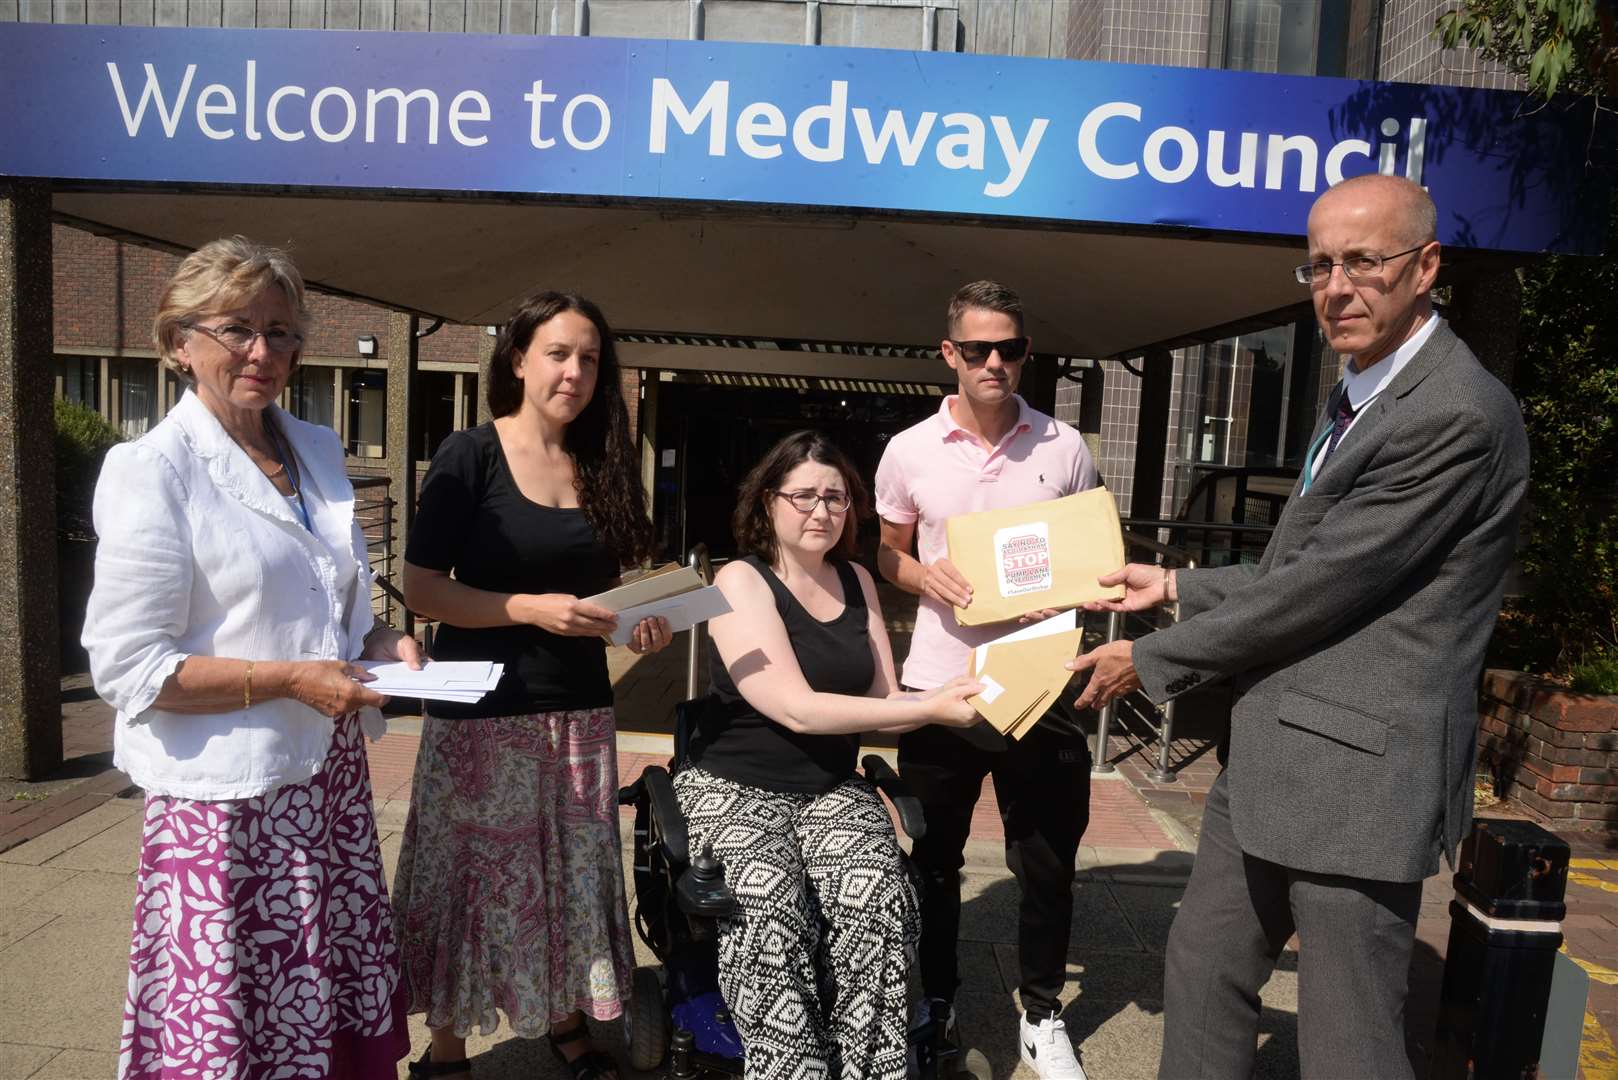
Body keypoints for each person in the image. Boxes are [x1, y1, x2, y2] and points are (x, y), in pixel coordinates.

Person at [1068, 173, 1530, 1079]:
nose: (1337, 286)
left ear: (1427, 266)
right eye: (1319, 265)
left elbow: (1321, 590)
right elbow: (1301, 567)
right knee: (1204, 971)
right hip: (1274, 751)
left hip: (1360, 778)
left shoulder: (1455, 413)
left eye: (1364, 261)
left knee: (1347, 1038)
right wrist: (1172, 583)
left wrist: (1153, 657)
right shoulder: (1359, 389)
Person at [83, 236, 422, 1079]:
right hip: (228, 808)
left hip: (328, 785)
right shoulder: (153, 470)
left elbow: (328, 601)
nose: (263, 352)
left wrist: (377, 642)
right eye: (236, 329)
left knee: (326, 1020)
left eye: (281, 331)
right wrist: (291, 680)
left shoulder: (313, 447)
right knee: (233, 1036)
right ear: (178, 344)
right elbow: (131, 669)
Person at [393, 290, 673, 1080]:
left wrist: (641, 623)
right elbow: (420, 588)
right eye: (557, 353)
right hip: (482, 714)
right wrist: (524, 609)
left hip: (580, 712)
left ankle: (567, 1022)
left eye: (589, 358)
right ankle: (446, 1048)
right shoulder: (470, 454)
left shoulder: (604, 462)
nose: (575, 372)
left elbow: (605, 596)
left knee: (569, 877)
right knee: (471, 878)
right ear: (518, 359)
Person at [677, 429, 984, 1080]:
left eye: (836, 498)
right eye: (804, 496)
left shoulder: (856, 580)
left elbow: (885, 694)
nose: (821, 511)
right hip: (736, 785)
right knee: (769, 910)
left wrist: (982, 680)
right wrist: (926, 708)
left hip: (828, 786)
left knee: (880, 900)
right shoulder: (740, 580)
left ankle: (873, 1069)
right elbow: (795, 706)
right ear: (766, 502)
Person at [874, 280, 1100, 1080]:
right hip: (941, 686)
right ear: (950, 354)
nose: (993, 361)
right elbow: (887, 550)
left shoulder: (1064, 447)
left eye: (1009, 348)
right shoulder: (908, 450)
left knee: (1045, 861)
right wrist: (919, 576)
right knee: (933, 860)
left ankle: (1041, 1014)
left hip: (1040, 684)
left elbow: (1087, 553)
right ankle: (935, 1003)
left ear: (1026, 354)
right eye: (977, 349)